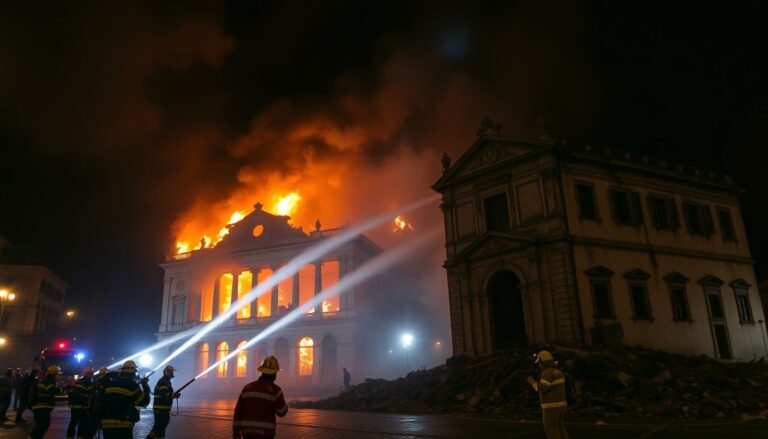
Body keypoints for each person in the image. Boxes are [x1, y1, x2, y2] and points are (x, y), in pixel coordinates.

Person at [233, 356, 288, 439]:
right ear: (274, 373)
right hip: (266, 434)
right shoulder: (276, 390)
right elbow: (281, 412)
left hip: (247, 433)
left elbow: (238, 411)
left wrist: (235, 431)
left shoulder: (247, 388)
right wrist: (286, 406)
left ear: (262, 372)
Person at [98, 360, 150, 439]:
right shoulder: (133, 385)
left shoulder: (110, 383)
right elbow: (144, 402)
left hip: (106, 423)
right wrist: (145, 386)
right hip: (123, 424)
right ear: (133, 373)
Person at [526, 350, 569, 439]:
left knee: (551, 429)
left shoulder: (547, 373)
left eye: (539, 363)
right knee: (560, 428)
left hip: (551, 407)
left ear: (542, 363)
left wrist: (532, 381)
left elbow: (541, 388)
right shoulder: (558, 372)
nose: (539, 366)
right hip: (561, 406)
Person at [146, 365, 180, 439]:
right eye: (171, 372)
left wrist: (174, 395)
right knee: (158, 428)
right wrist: (174, 395)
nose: (172, 373)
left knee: (161, 428)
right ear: (167, 372)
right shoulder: (163, 381)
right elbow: (164, 393)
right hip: (160, 409)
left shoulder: (166, 381)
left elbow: (166, 393)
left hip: (163, 409)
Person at [29, 365, 61, 439]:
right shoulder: (48, 381)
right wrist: (63, 389)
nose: (57, 376)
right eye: (56, 375)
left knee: (41, 426)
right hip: (42, 407)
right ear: (54, 374)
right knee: (43, 425)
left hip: (40, 407)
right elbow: (52, 390)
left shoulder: (47, 380)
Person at [67, 367, 95, 439]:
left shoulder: (78, 382)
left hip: (74, 408)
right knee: (82, 425)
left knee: (72, 424)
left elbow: (71, 393)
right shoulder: (90, 384)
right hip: (83, 408)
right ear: (91, 374)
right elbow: (90, 397)